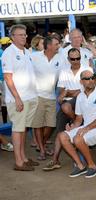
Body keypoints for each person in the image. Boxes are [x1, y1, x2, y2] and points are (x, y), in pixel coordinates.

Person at [43, 48, 92, 171]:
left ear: (81, 57)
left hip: (83, 100)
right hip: (69, 103)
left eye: (78, 58)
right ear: (68, 59)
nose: (76, 61)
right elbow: (60, 90)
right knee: (60, 130)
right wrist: (67, 92)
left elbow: (87, 88)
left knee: (65, 106)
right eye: (73, 59)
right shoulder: (64, 71)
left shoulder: (87, 69)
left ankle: (75, 121)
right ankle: (55, 160)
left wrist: (68, 92)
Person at [59, 70, 96, 178]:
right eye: (87, 79)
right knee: (62, 136)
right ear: (81, 81)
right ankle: (80, 165)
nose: (91, 80)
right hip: (87, 127)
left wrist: (87, 128)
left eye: (92, 78)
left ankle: (92, 166)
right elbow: (78, 119)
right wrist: (72, 127)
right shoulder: (80, 97)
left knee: (78, 139)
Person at [2, 24, 39, 170]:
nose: (24, 37)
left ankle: (23, 158)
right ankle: (18, 162)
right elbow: (7, 78)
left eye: (25, 34)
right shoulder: (9, 53)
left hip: (30, 97)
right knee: (17, 129)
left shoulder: (27, 51)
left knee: (23, 129)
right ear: (12, 37)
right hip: (18, 99)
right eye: (20, 35)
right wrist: (17, 98)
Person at [31, 35, 63, 160]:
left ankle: (42, 145)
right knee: (37, 125)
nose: (58, 46)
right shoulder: (34, 57)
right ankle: (43, 151)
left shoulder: (60, 58)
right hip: (36, 96)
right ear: (48, 46)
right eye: (56, 44)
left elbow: (64, 76)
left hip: (51, 96)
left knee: (51, 124)